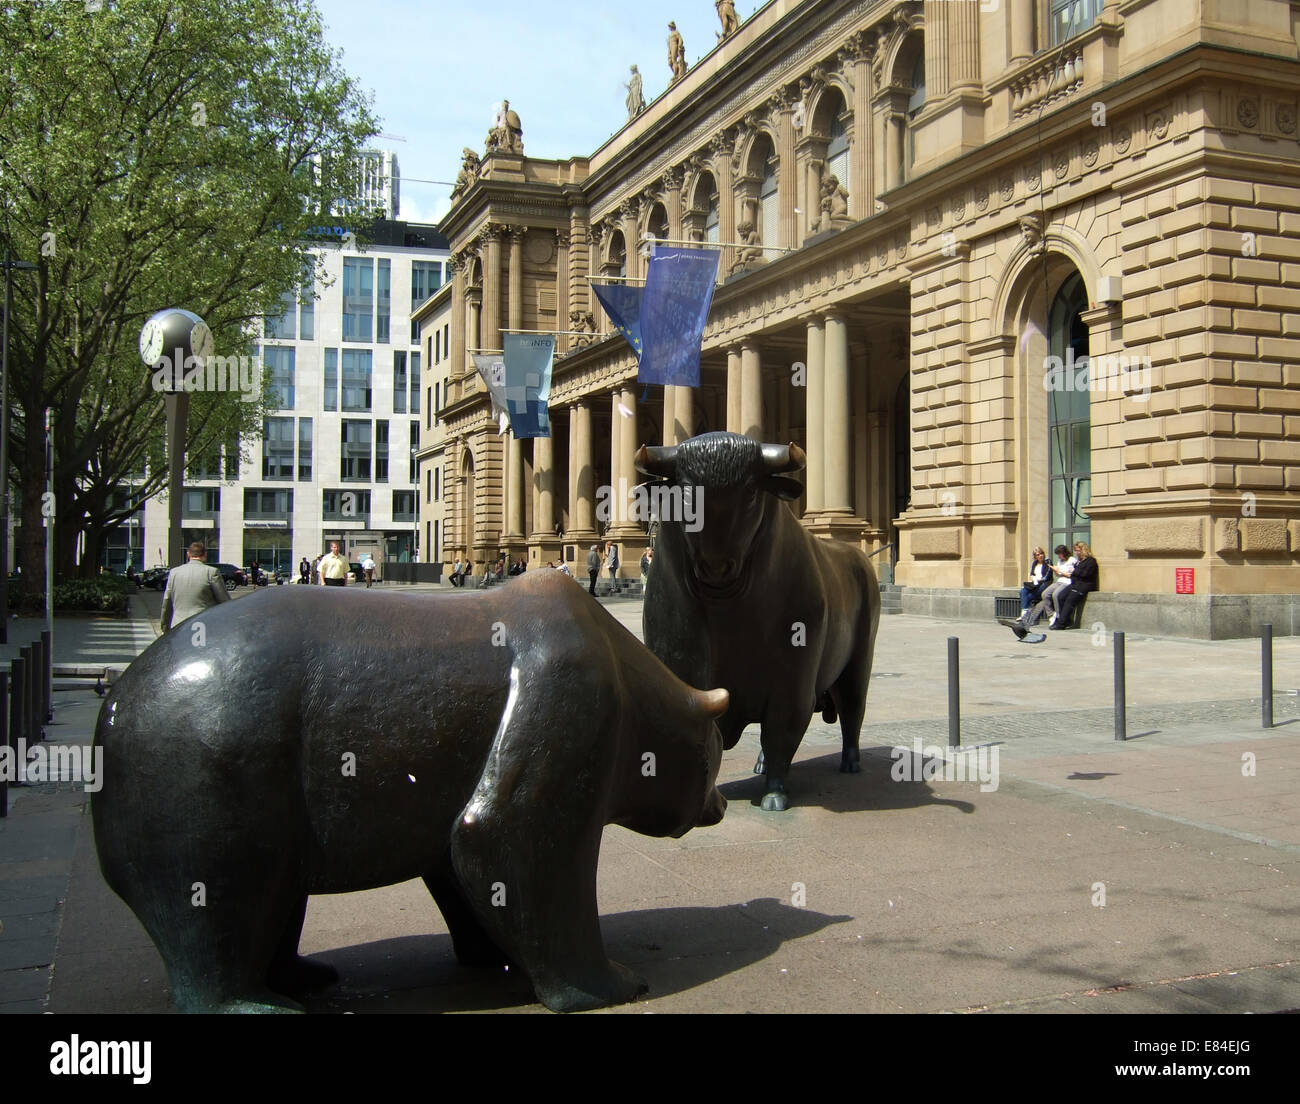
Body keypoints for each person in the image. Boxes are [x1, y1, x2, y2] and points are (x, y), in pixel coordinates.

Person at [160, 541, 229, 633]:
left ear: (188, 554)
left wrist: (165, 626)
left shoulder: (174, 573)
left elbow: (167, 601)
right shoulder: (211, 572)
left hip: (178, 625)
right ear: (205, 555)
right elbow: (224, 601)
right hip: (202, 627)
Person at [1022, 544, 1076, 627]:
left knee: (1055, 594)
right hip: (1059, 581)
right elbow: (1058, 575)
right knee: (1044, 594)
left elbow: (1072, 575)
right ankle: (1051, 615)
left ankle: (1059, 616)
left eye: (1059, 554)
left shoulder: (1072, 560)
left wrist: (1060, 572)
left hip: (1067, 582)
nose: (1059, 556)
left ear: (1064, 553)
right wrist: (1056, 571)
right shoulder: (1059, 561)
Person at [1053, 542, 1099, 630]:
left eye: (1078, 551)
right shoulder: (1078, 561)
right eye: (1076, 551)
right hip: (1075, 584)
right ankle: (1066, 620)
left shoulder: (1091, 561)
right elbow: (1074, 574)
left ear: (1084, 550)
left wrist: (1074, 571)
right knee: (1061, 596)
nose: (1077, 553)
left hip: (1085, 585)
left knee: (1070, 600)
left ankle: (1061, 624)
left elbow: (1086, 574)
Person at [1019, 547, 1051, 616]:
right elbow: (1032, 574)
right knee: (1022, 591)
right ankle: (1025, 611)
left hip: (1044, 583)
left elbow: (1047, 576)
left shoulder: (1047, 561)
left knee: (1027, 596)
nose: (1040, 556)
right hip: (1035, 583)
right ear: (1035, 556)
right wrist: (1033, 578)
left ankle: (1025, 613)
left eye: (1041, 553)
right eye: (1038, 555)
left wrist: (1038, 579)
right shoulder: (1035, 563)